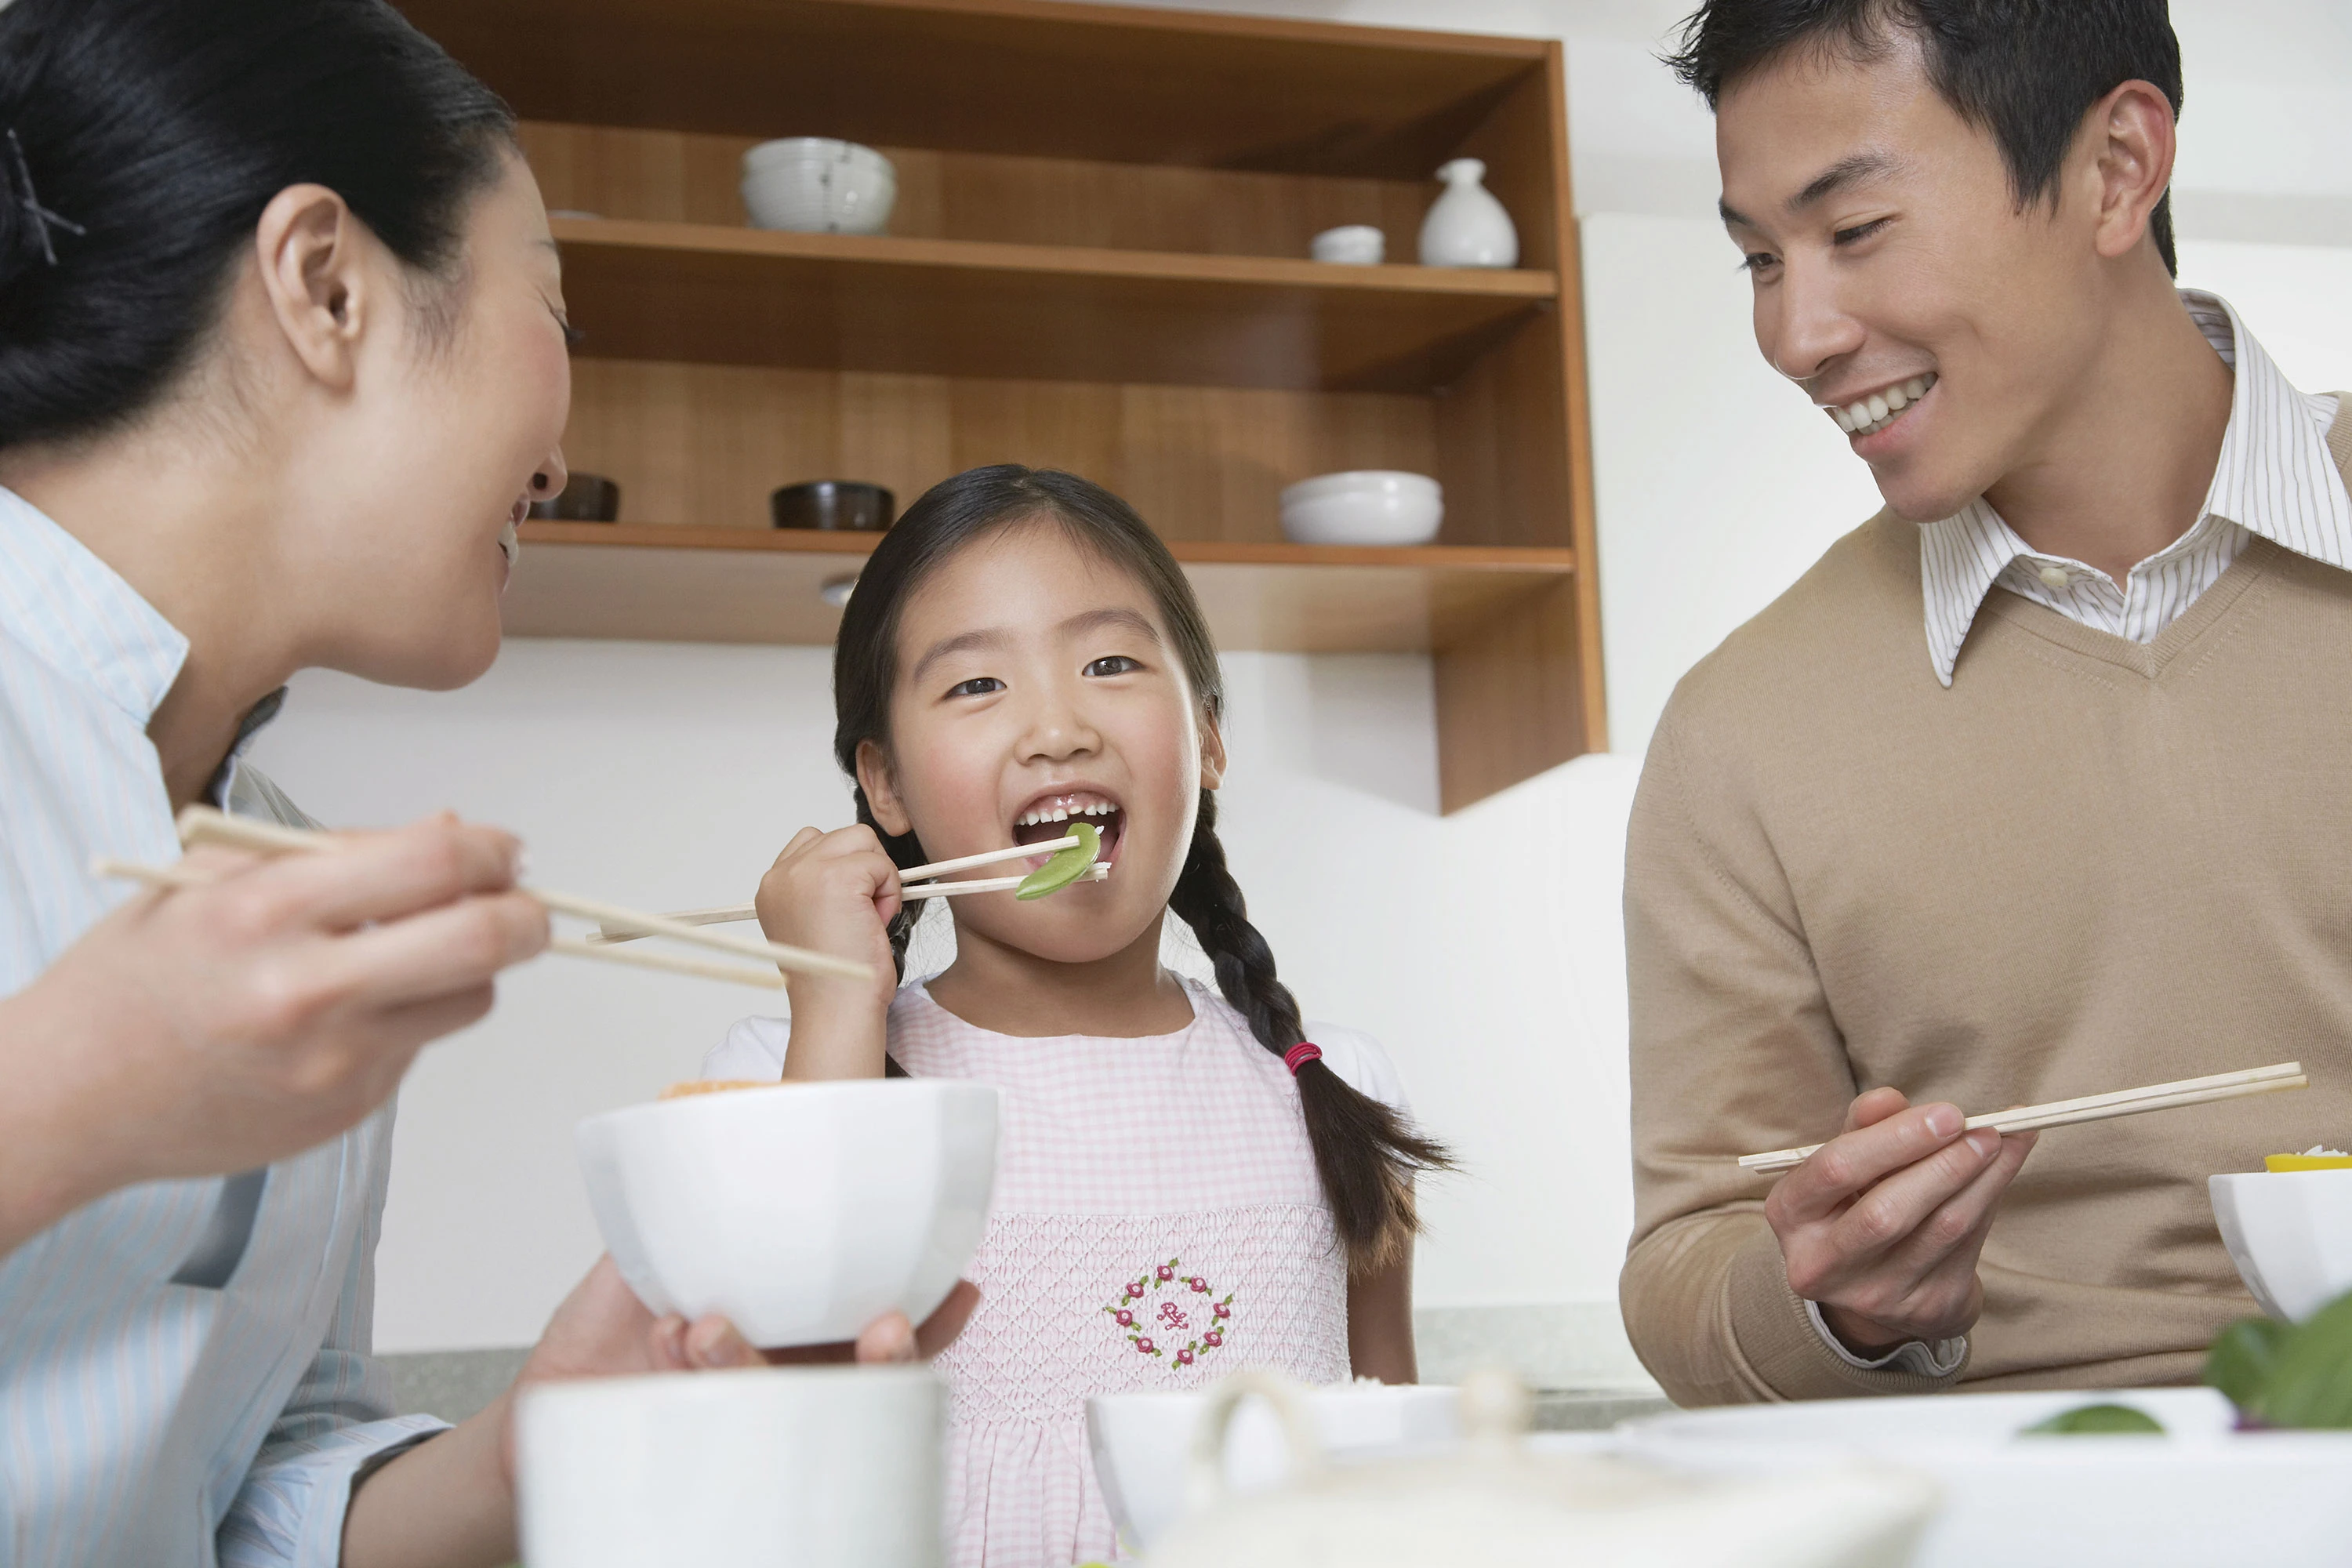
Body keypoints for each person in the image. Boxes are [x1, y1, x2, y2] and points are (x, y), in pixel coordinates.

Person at [0, 3, 968, 1563]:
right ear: (326, 284)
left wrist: (539, 1452)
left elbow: (248, 1500)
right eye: (557, 312)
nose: (558, 437)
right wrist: (72, 1082)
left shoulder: (283, 877)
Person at [1620, 0, 2352, 1405]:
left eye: (1855, 231)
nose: (1794, 332)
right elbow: (1689, 1257)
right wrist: (1838, 1306)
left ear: (2118, 169)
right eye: (1760, 260)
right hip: (2025, 1493)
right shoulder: (1745, 730)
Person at [703, 466, 1453, 1566]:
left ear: (1207, 738)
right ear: (886, 786)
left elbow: (1400, 1473)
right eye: (974, 687)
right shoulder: (795, 1074)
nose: (1055, 730)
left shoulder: (1330, 1085)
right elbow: (782, 1445)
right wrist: (831, 998)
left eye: (1109, 664)